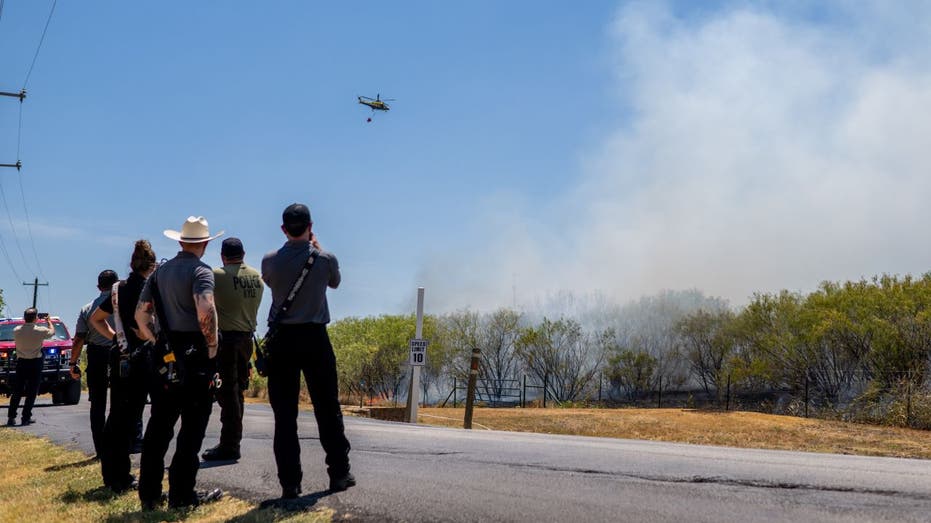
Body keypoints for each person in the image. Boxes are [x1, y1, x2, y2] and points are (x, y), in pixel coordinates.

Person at [261, 203, 353, 498]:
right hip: (315, 337)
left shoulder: (269, 261)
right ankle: (339, 473)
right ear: (311, 226)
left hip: (283, 340)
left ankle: (290, 483)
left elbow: (270, 282)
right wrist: (316, 246)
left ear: (283, 229)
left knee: (284, 416)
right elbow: (335, 283)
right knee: (327, 409)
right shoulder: (325, 259)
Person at [134, 216, 223, 510]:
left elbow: (140, 316)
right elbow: (206, 310)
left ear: (180, 241)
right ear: (205, 243)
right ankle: (182, 496)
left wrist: (154, 339)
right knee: (192, 428)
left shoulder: (158, 274)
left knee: (159, 425)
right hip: (195, 352)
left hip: (164, 353)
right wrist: (211, 348)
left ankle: (149, 494)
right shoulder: (201, 271)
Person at [89, 240, 157, 492]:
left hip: (120, 356)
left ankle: (113, 474)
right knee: (135, 419)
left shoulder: (117, 290)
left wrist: (115, 337)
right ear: (151, 265)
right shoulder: (151, 287)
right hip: (144, 357)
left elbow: (96, 318)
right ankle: (125, 475)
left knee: (116, 417)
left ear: (131, 263)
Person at [202, 237, 263, 461]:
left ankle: (230, 444)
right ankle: (232, 440)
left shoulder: (217, 275)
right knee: (237, 393)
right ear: (244, 254)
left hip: (226, 340)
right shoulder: (257, 277)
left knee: (227, 393)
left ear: (222, 256)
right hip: (247, 339)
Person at [69, 269, 119, 458]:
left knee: (97, 404)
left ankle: (100, 449)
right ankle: (118, 445)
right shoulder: (124, 304)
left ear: (99, 287)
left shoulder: (87, 308)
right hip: (120, 353)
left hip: (97, 354)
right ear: (117, 283)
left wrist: (73, 363)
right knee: (120, 402)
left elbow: (79, 339)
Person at [7, 308, 55, 426]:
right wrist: (49, 321)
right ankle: (26, 417)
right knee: (32, 392)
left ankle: (11, 417)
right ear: (36, 318)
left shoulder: (16, 330)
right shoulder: (40, 330)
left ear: (24, 318)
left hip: (21, 362)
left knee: (17, 391)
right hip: (35, 363)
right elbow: (52, 332)